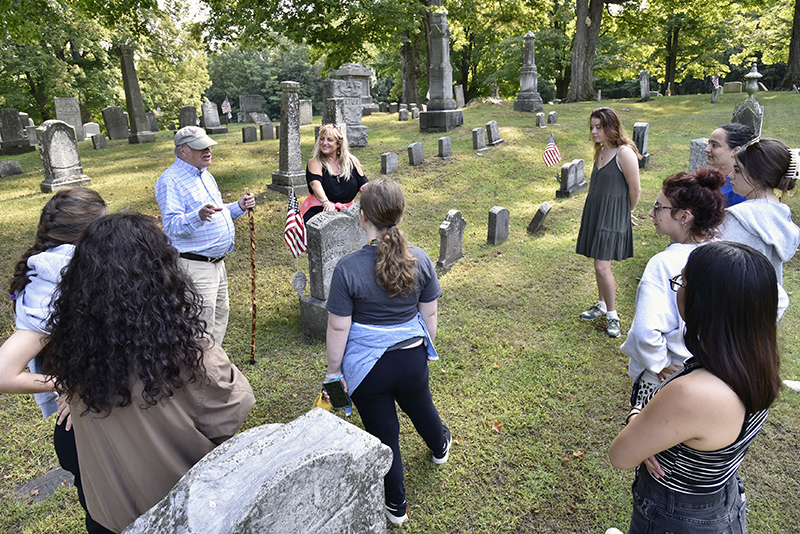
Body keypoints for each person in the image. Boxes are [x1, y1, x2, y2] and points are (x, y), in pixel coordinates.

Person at [39, 213, 255, 533]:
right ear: (164, 277)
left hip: (107, 518)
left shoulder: (73, 353)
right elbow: (235, 411)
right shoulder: (194, 359)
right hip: (181, 518)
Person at [609, 241, 781, 534]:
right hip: (719, 496)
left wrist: (637, 415)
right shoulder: (757, 363)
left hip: (675, 514)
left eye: (683, 283)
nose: (679, 288)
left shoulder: (693, 393)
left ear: (704, 302)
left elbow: (621, 456)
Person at [324, 179, 451, 525]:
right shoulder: (421, 259)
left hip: (367, 371)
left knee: (385, 434)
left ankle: (396, 506)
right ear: (398, 213)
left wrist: (334, 372)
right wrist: (425, 350)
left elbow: (338, 327)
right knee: (421, 404)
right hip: (411, 358)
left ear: (362, 216)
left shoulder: (348, 268)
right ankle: (440, 447)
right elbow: (430, 314)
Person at [0, 187, 109, 533]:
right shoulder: (55, 277)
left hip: (103, 422)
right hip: (88, 432)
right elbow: (4, 372)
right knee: (107, 521)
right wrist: (70, 384)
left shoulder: (74, 266)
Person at [621, 168, 726, 407]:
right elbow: (775, 300)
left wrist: (659, 362)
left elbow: (644, 331)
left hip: (666, 378)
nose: (651, 213)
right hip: (714, 374)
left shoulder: (663, 264)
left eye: (658, 207)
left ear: (684, 216)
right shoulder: (729, 254)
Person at [155, 126, 255, 345]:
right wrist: (197, 216)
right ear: (182, 151)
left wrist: (238, 206)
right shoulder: (170, 181)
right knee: (200, 323)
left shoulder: (205, 176)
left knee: (220, 316)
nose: (208, 151)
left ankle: (212, 365)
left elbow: (217, 212)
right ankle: (199, 372)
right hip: (195, 265)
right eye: (200, 148)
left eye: (208, 146)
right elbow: (171, 226)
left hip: (217, 264)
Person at [576, 107, 641, 338]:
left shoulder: (625, 153)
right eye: (592, 127)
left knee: (602, 267)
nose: (593, 132)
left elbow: (635, 188)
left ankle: (612, 314)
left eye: (599, 127)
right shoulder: (601, 150)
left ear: (611, 127)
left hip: (613, 214)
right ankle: (602, 304)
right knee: (598, 262)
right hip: (596, 211)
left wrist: (626, 212)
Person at [720, 137, 799, 318]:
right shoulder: (781, 215)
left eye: (738, 170)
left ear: (759, 177)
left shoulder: (739, 218)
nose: (730, 175)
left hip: (731, 315)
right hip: (763, 314)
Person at [300, 123, 367, 224]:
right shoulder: (315, 162)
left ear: (339, 143)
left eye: (329, 140)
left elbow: (364, 184)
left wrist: (375, 196)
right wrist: (325, 202)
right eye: (322, 139)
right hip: (320, 209)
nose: (324, 143)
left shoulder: (352, 161)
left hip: (348, 210)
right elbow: (315, 184)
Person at [704, 123, 755, 207]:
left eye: (715, 145)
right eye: (708, 143)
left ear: (735, 151)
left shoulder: (738, 192)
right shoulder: (713, 177)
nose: (707, 149)